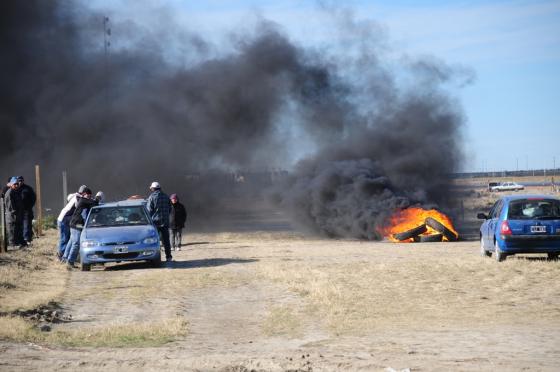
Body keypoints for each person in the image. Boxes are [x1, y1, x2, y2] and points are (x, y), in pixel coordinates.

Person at [66, 188, 99, 269]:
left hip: (79, 225)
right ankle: (69, 262)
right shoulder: (83, 200)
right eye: (88, 195)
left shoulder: (84, 200)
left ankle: (69, 260)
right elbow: (94, 203)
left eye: (90, 195)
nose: (89, 197)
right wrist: (98, 198)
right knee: (76, 244)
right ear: (84, 194)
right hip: (76, 225)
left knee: (74, 243)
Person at [57, 185, 87, 261]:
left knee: (67, 238)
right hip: (64, 219)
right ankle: (61, 256)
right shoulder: (78, 198)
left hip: (64, 218)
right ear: (84, 192)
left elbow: (69, 197)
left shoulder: (75, 196)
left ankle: (64, 256)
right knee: (64, 238)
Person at [146, 181, 172, 261]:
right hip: (165, 222)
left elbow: (149, 210)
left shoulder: (152, 197)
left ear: (153, 188)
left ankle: (155, 257)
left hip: (155, 223)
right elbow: (170, 209)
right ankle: (168, 257)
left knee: (154, 240)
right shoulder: (166, 196)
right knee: (166, 240)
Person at [4, 177, 25, 248]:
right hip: (12, 216)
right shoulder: (9, 193)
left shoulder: (16, 192)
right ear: (11, 184)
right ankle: (12, 245)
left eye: (17, 184)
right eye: (15, 184)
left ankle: (17, 243)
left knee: (17, 230)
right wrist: (15, 213)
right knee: (11, 230)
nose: (16, 185)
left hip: (17, 215)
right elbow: (10, 206)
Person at [16, 176, 36, 245]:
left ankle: (27, 239)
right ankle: (20, 240)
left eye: (21, 180)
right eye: (19, 181)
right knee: (19, 225)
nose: (20, 182)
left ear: (23, 181)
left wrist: (29, 206)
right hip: (18, 210)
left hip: (26, 210)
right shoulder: (15, 188)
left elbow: (33, 198)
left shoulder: (28, 188)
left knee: (27, 225)